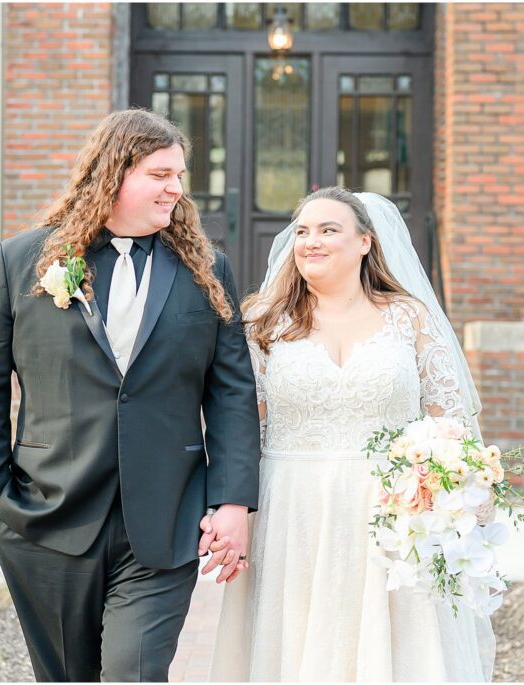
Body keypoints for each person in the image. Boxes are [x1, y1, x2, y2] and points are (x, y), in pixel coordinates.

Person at [0, 109, 260, 682]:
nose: (176, 188)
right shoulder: (21, 260)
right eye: (160, 174)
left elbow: (231, 395)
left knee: (133, 673)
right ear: (113, 173)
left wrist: (233, 501)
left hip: (167, 519)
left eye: (179, 175)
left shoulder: (206, 270)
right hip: (47, 516)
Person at [207, 187, 496, 681]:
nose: (310, 242)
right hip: (291, 512)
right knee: (295, 646)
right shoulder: (264, 323)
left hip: (392, 514)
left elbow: (452, 425)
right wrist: (227, 507)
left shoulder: (410, 318)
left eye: (328, 230)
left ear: (365, 242)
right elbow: (240, 428)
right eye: (301, 231)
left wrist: (458, 493)